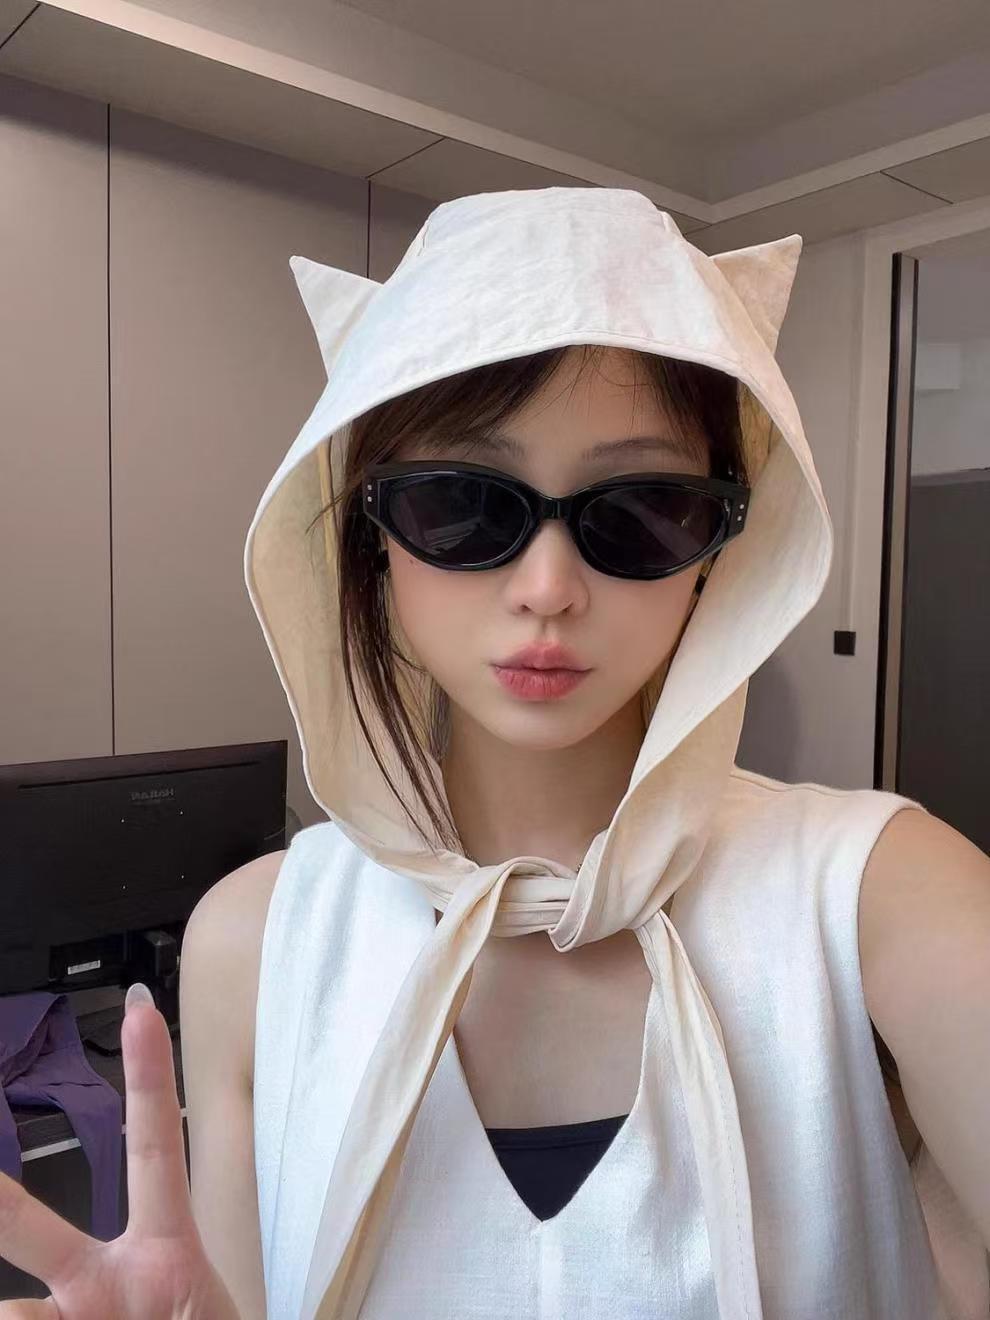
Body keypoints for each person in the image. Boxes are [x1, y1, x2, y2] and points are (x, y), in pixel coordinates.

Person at [1, 187, 988, 1320]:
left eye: (645, 509)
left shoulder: (884, 900)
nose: (548, 589)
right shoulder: (256, 941)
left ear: (720, 548)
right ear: (371, 537)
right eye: (462, 504)